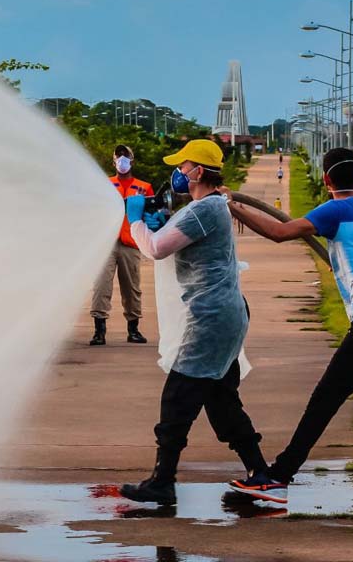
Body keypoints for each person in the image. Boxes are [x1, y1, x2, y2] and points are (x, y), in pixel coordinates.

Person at [225, 147, 353, 504]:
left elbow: (279, 232)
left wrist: (231, 205)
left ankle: (278, 477)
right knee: (325, 400)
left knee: (324, 401)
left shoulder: (333, 210)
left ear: (326, 179)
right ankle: (279, 475)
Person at [118, 139, 267, 505]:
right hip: (224, 314)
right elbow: (169, 239)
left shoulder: (204, 209)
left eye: (183, 167)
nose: (178, 174)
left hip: (211, 318)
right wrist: (156, 223)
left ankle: (162, 481)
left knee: (178, 398)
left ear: (199, 172)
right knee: (221, 400)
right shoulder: (208, 208)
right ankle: (260, 472)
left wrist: (136, 220)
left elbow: (154, 249)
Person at [89, 144, 153, 346]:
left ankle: (133, 330)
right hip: (106, 243)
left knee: (131, 287)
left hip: (131, 243)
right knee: (101, 286)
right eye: (119, 156)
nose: (122, 160)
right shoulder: (104, 185)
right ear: (113, 161)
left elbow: (150, 215)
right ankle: (99, 331)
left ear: (132, 161)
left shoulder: (144, 187)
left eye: (126, 156)